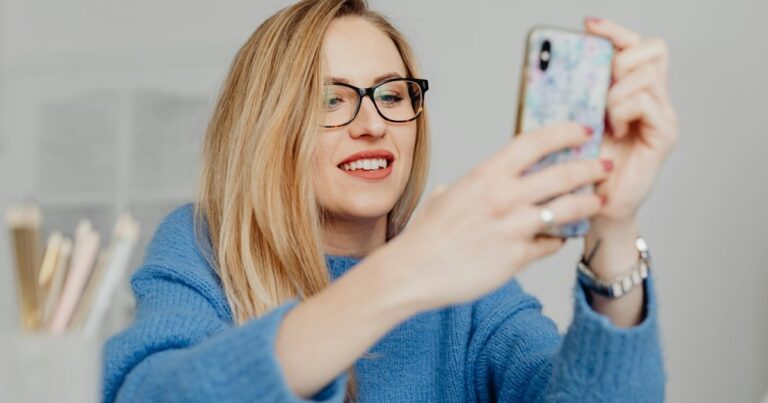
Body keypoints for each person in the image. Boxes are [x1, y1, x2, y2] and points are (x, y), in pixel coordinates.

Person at [103, 0, 677, 402]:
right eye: (331, 100)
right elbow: (152, 393)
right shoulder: (203, 251)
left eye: (392, 94)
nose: (374, 124)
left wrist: (614, 224)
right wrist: (406, 274)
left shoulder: (470, 293)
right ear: (265, 126)